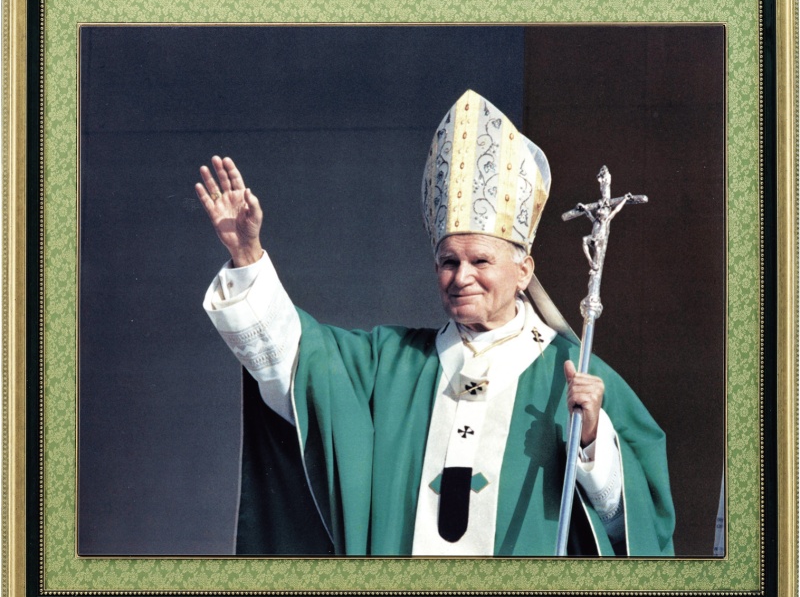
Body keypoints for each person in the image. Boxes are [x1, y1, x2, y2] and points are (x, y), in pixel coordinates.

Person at [196, 90, 675, 557]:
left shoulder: (572, 375)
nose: (461, 277)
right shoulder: (390, 365)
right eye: (449, 261)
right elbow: (297, 362)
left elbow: (631, 529)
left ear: (523, 271)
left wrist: (591, 442)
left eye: (480, 261)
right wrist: (247, 258)